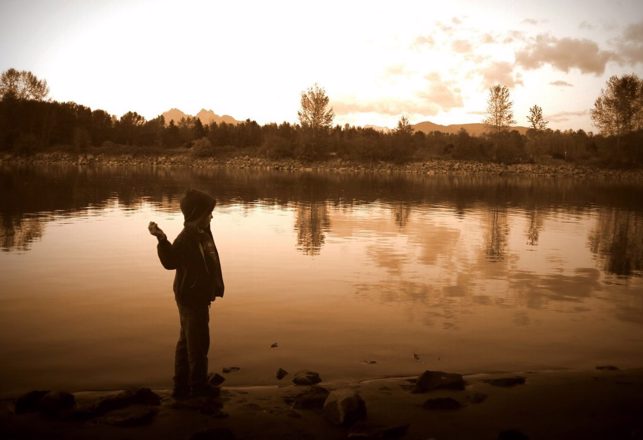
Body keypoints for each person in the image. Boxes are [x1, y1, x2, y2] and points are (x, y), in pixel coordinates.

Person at [148, 189, 224, 399]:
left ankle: (180, 384)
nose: (212, 216)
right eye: (208, 213)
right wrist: (162, 240)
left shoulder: (201, 233)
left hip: (195, 295)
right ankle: (198, 386)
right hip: (191, 297)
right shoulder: (187, 237)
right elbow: (170, 261)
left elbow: (210, 261)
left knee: (186, 341)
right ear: (197, 214)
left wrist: (214, 286)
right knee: (199, 343)